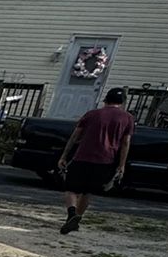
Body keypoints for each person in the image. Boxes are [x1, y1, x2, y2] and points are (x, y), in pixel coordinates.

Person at [58, 88, 135, 234]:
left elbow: (75, 136)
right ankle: (77, 219)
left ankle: (71, 214)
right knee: (88, 192)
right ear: (122, 102)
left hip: (83, 156)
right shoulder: (127, 118)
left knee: (71, 189)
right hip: (105, 160)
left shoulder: (92, 114)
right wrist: (121, 164)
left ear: (105, 100)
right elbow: (125, 143)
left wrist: (64, 156)